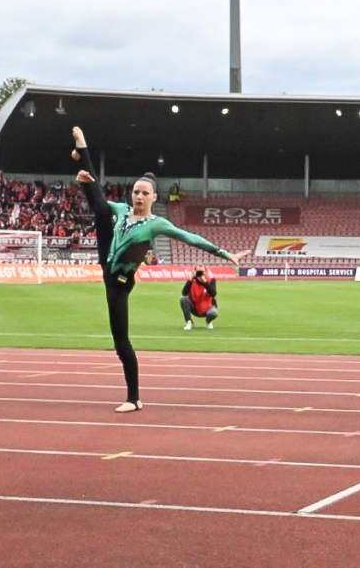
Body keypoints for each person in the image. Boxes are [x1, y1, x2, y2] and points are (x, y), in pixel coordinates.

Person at [71, 127, 246, 412]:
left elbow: (191, 238)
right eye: (135, 192)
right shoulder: (122, 211)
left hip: (120, 280)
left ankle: (134, 398)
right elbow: (99, 204)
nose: (138, 196)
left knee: (121, 342)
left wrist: (225, 254)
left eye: (145, 193)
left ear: (154, 197)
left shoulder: (156, 223)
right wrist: (85, 185)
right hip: (106, 262)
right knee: (101, 208)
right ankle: (83, 153)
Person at [181, 265, 218, 330]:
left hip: (207, 307)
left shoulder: (211, 280)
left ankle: (208, 321)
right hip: (194, 307)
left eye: (202, 272)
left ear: (206, 272)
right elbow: (184, 293)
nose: (200, 274)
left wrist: (205, 282)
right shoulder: (192, 281)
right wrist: (190, 279)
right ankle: (189, 322)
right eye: (198, 271)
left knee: (214, 313)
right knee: (183, 299)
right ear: (194, 271)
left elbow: (213, 294)